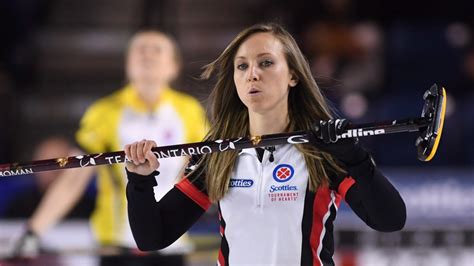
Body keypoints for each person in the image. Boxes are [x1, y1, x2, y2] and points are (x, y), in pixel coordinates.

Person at [124, 23, 406, 265]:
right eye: (242, 66)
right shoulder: (218, 155)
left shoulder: (321, 151)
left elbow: (390, 220)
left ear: (293, 75)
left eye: (266, 62)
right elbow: (153, 238)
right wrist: (140, 182)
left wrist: (354, 158)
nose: (252, 74)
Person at [13, 30, 208, 265]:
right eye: (139, 50)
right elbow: (75, 177)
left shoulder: (190, 112)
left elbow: (205, 172)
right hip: (116, 248)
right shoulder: (104, 112)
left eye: (157, 50)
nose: (147, 55)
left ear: (173, 66)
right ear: (127, 64)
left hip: (172, 245)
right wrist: (34, 231)